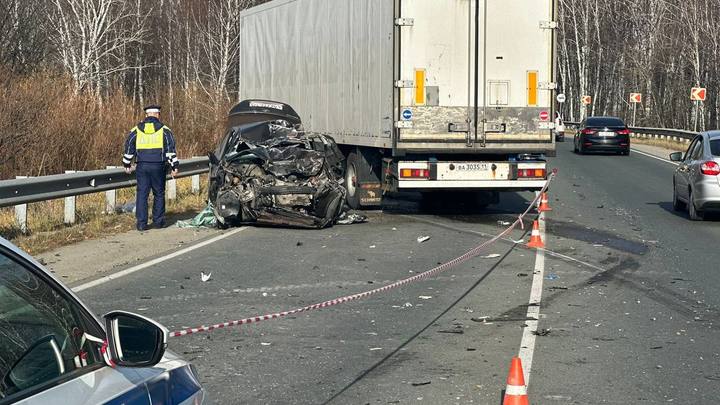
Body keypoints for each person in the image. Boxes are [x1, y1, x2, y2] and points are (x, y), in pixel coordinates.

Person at [122, 105, 179, 231]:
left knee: (142, 193)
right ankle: (158, 222)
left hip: (142, 166)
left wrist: (126, 164)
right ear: (158, 115)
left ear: (146, 115)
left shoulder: (136, 130)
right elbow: (170, 150)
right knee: (158, 193)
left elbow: (129, 148)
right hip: (158, 166)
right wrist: (174, 166)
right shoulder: (165, 130)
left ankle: (141, 224)